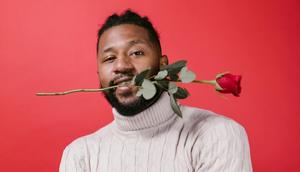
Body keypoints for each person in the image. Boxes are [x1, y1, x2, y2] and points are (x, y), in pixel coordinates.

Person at [59, 10, 252, 172]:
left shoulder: (215, 135)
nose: (121, 65)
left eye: (136, 53)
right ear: (98, 73)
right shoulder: (80, 155)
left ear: (163, 65)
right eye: (109, 58)